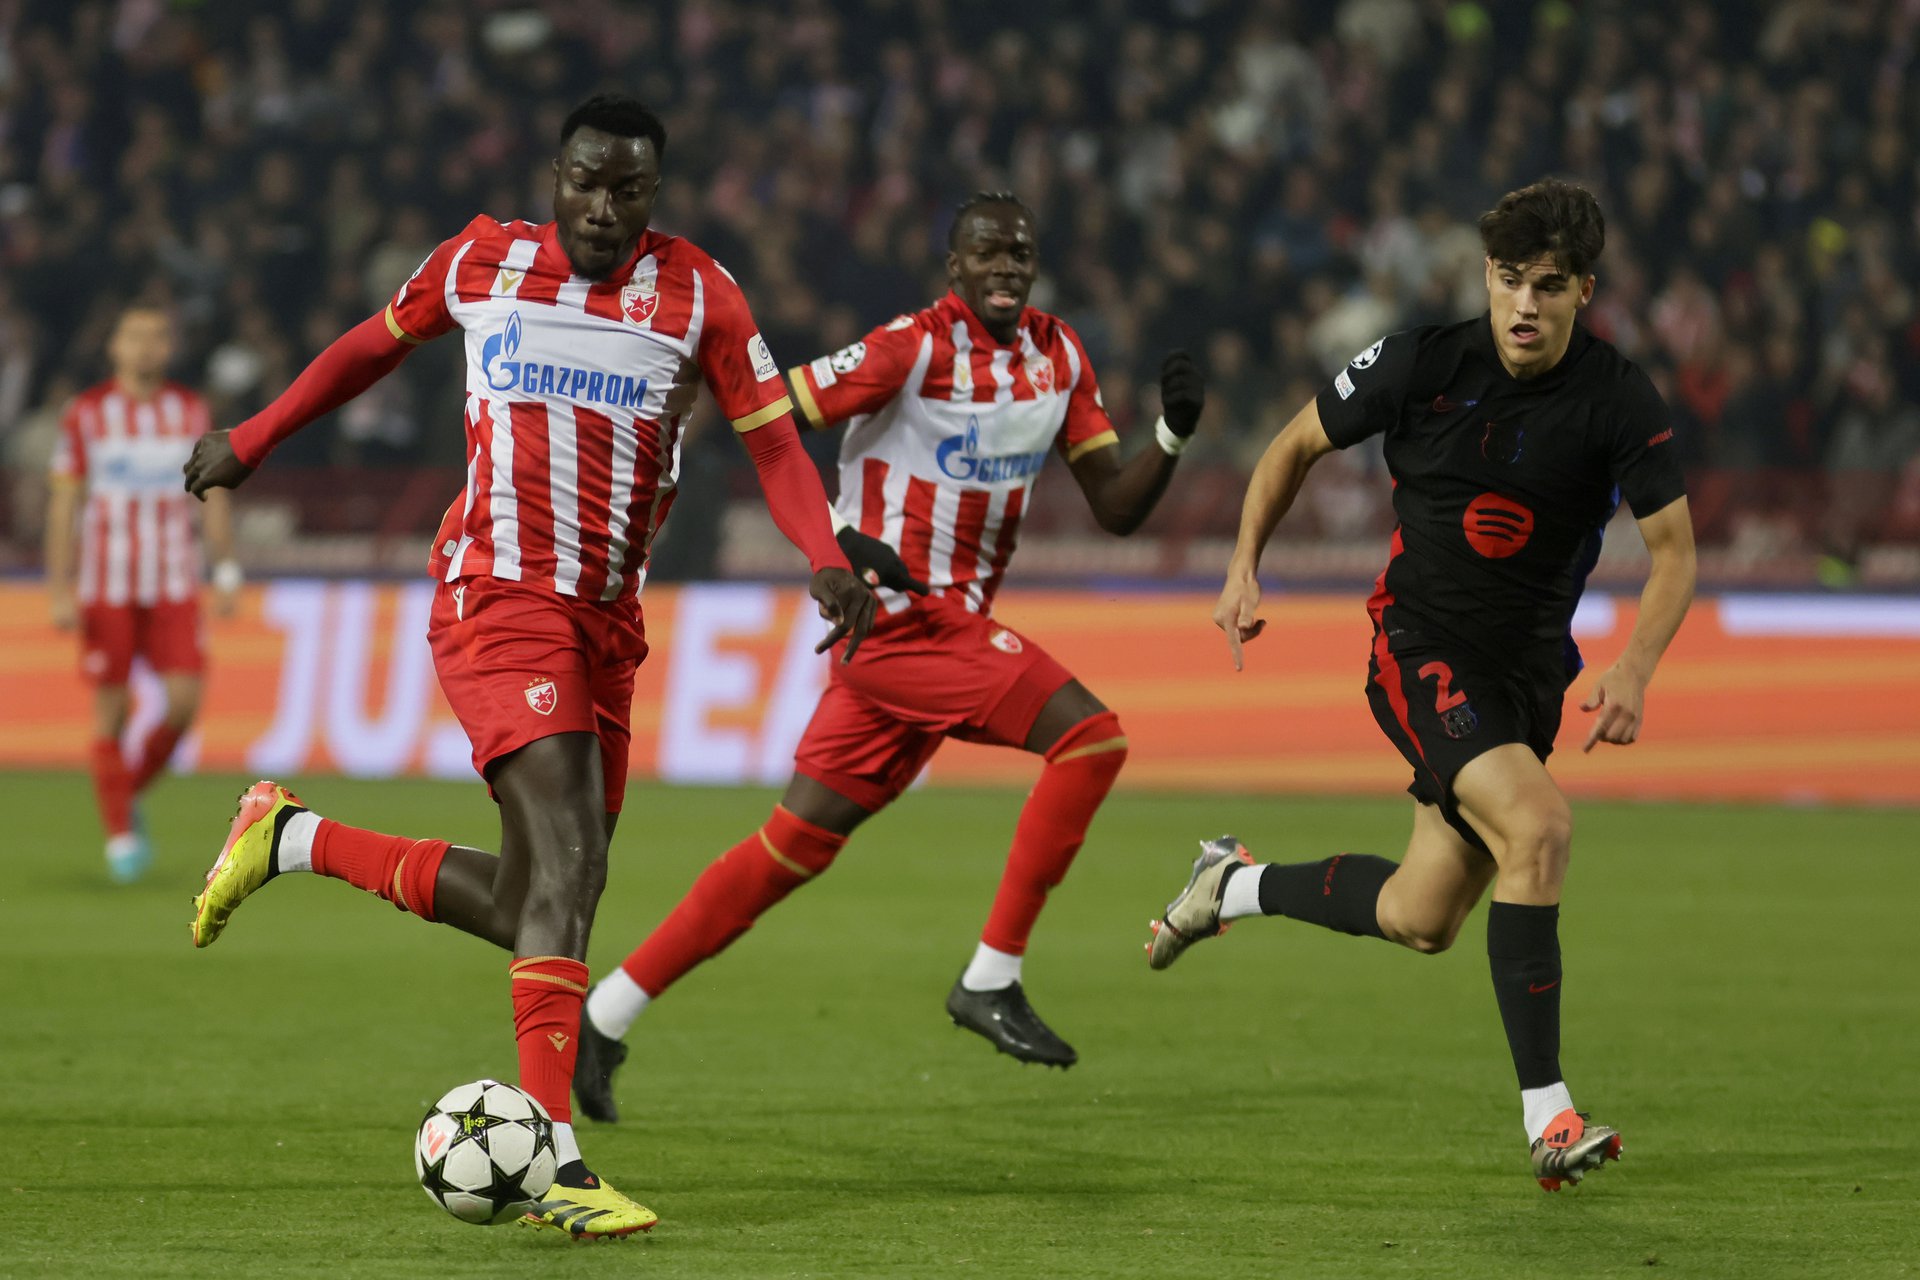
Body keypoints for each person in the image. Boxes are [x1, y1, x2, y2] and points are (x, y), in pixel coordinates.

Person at [181, 94, 874, 1239]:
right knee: (569, 859)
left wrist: (827, 556)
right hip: (499, 595)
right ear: (555, 176)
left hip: (608, 623)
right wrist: (253, 439)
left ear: (654, 195)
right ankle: (555, 1161)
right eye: (585, 183)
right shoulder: (482, 260)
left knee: (536, 899)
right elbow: (366, 347)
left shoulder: (701, 292)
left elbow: (771, 439)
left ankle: (290, 836)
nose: (602, 207)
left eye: (627, 190)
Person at [569, 192, 1205, 1123]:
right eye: (986, 252)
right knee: (1092, 740)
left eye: (1019, 254)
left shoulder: (1059, 356)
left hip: (935, 639)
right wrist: (834, 541)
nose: (1005, 267)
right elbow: (767, 410)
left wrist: (1171, 435)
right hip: (901, 624)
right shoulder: (910, 348)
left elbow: (1113, 505)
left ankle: (606, 1013)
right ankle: (991, 978)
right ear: (955, 268)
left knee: (789, 850)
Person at [1148, 179, 1695, 1192]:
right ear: (1484, 275)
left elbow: (1675, 553)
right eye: (1508, 279)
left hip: (1527, 679)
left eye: (1548, 285)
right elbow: (1293, 444)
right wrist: (1242, 566)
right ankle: (1549, 1115)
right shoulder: (1421, 363)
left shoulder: (1619, 399)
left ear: (1583, 290)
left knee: (1421, 914)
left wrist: (1634, 663)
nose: (1524, 304)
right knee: (1541, 828)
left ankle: (1232, 884)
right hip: (1420, 646)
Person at [45, 305, 239, 882]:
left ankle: (122, 794)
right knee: (112, 708)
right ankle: (121, 839)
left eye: (156, 337)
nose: (145, 347)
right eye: (134, 336)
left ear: (169, 347)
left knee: (183, 704)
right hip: (107, 583)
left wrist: (225, 568)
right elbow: (64, 504)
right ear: (114, 346)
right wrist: (59, 588)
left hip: (175, 581)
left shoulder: (190, 410)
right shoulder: (86, 414)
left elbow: (214, 493)